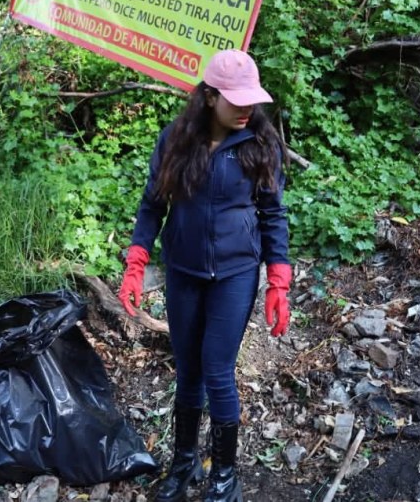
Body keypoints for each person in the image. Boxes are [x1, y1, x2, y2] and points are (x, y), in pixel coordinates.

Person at [118, 49, 293, 502]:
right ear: (209, 96)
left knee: (217, 370)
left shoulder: (261, 143)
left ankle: (224, 477)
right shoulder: (176, 140)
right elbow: (153, 205)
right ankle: (184, 463)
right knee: (188, 370)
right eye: (235, 100)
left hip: (235, 273)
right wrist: (136, 264)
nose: (246, 109)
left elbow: (273, 214)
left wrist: (278, 281)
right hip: (183, 271)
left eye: (251, 100)